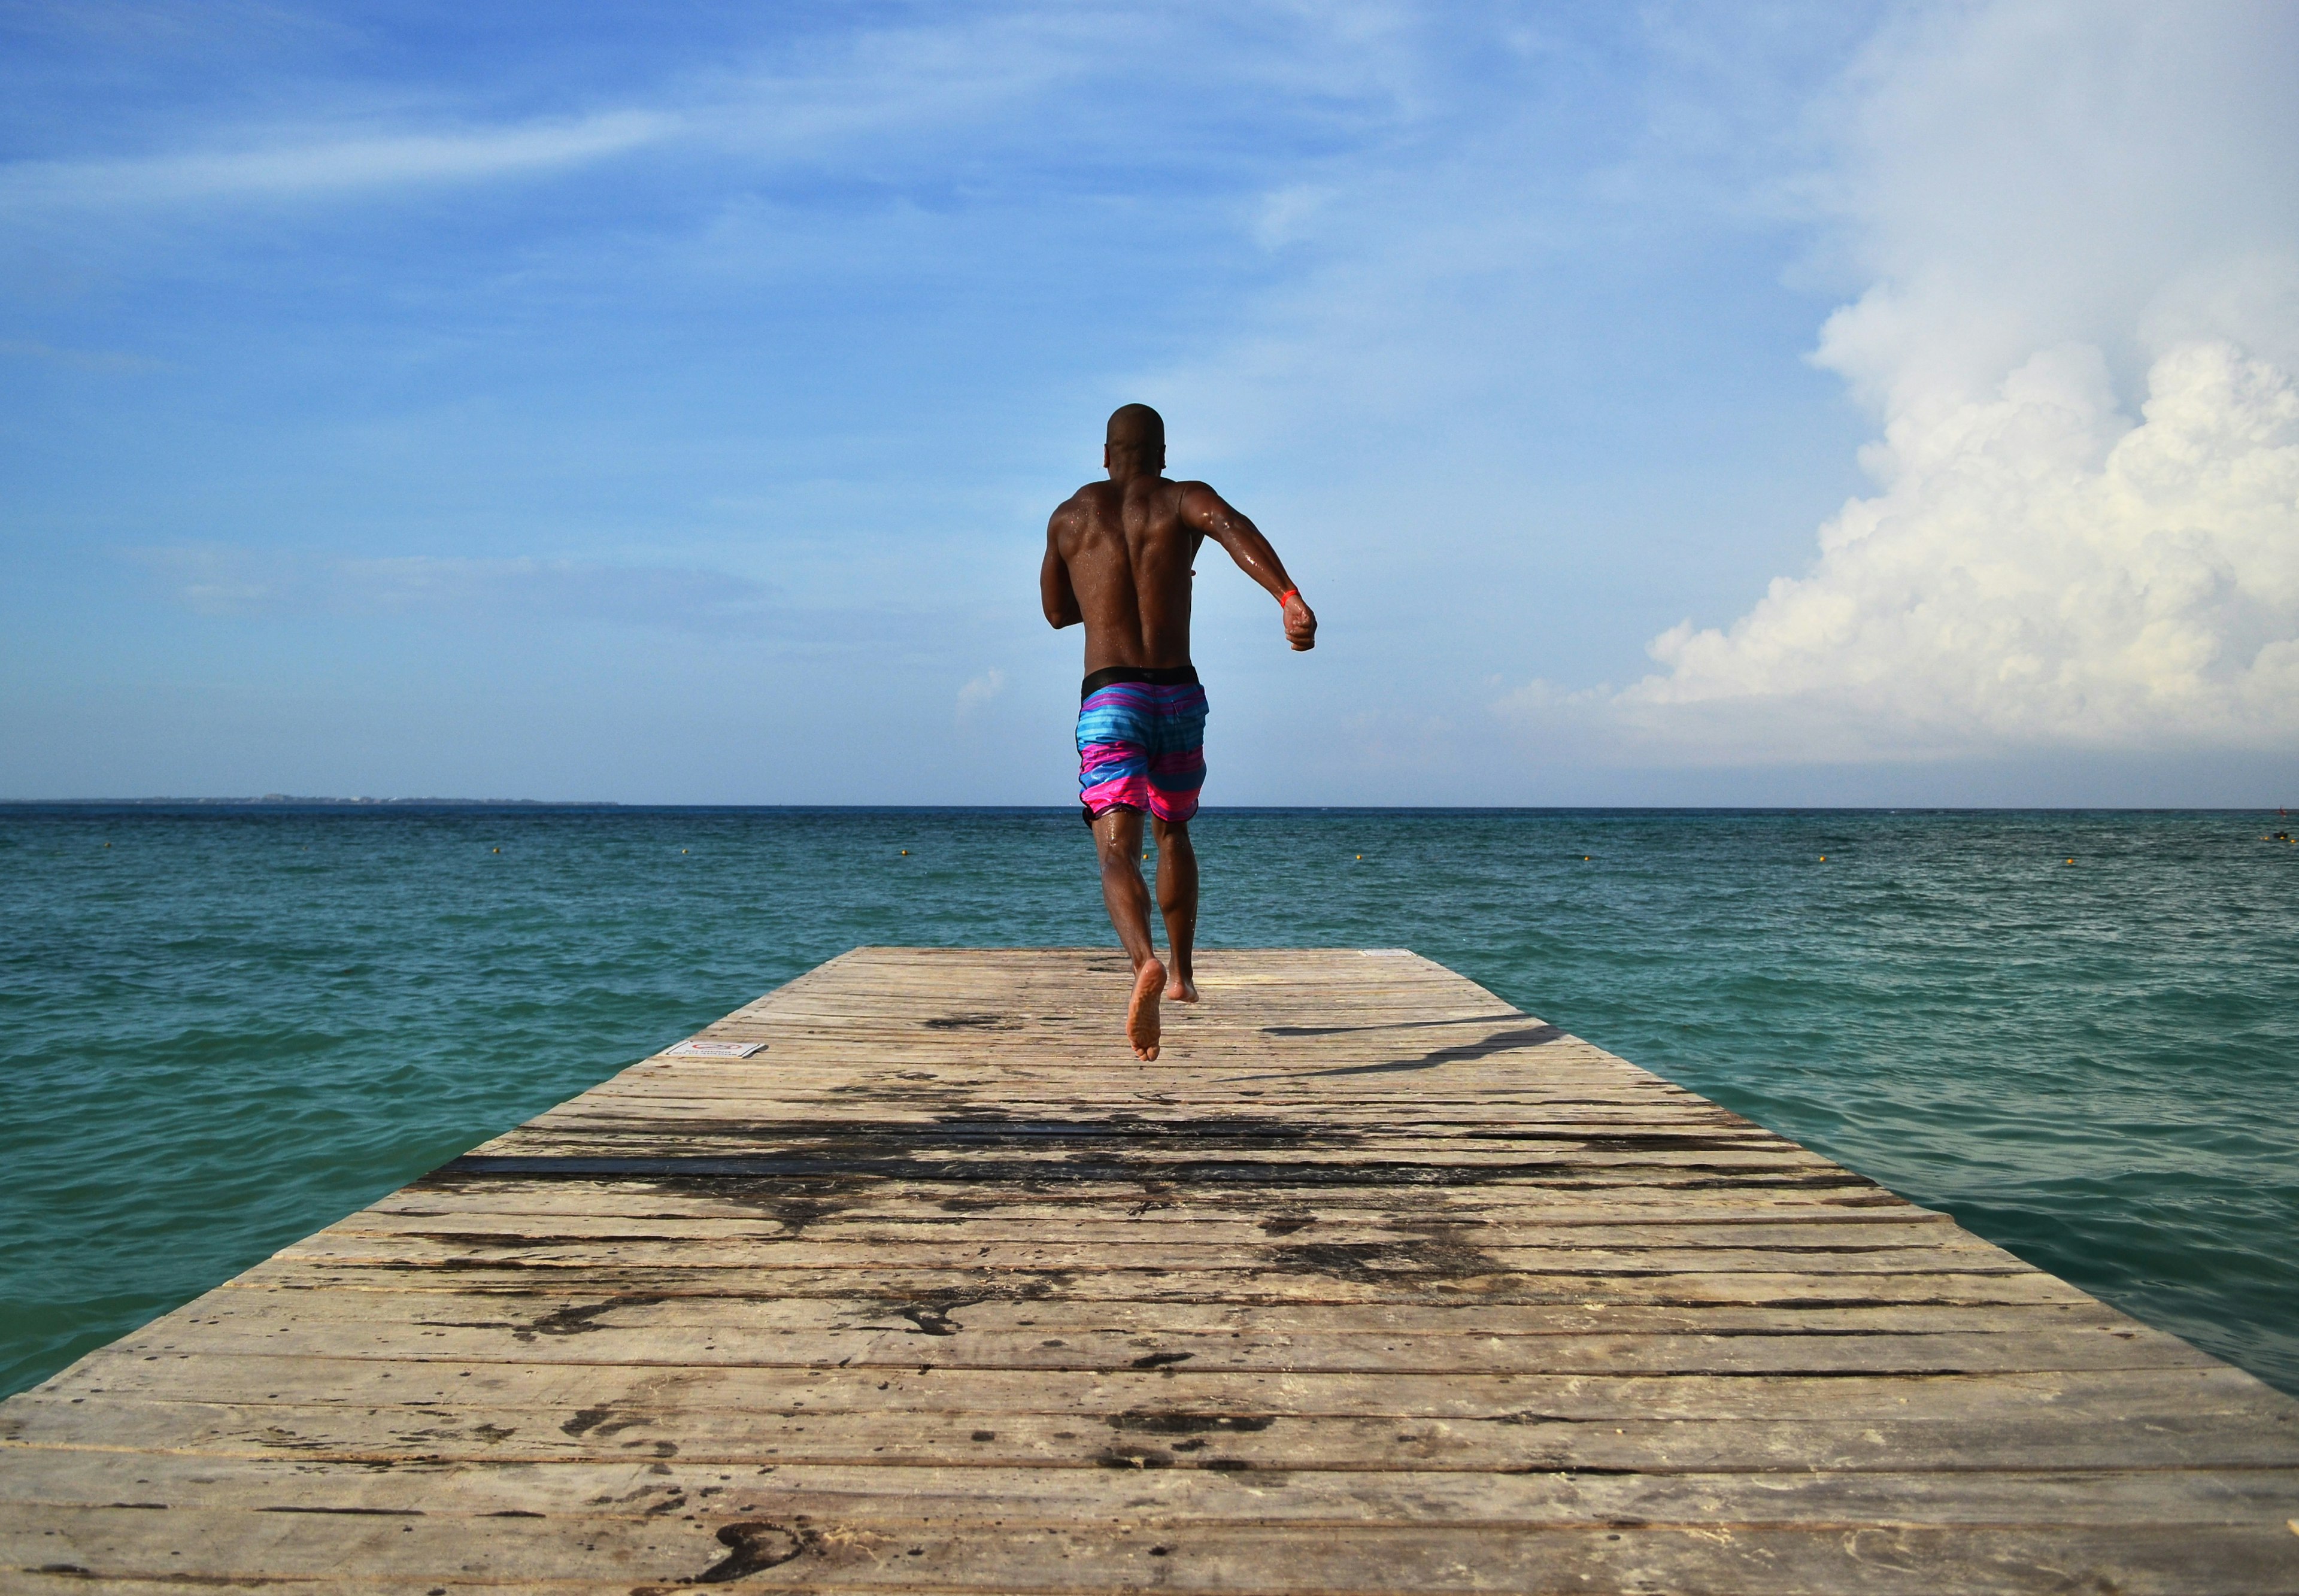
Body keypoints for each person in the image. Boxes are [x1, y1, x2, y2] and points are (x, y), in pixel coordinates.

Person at [1041, 403, 1317, 1060]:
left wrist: (1102, 588)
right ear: (1162, 454)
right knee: (1174, 828)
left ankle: (1142, 962)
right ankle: (1184, 977)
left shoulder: (1070, 517)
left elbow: (1056, 613)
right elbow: (1232, 526)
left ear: (1107, 455)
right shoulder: (1182, 498)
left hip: (1112, 694)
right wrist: (1288, 597)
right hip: (1177, 692)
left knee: (1116, 845)